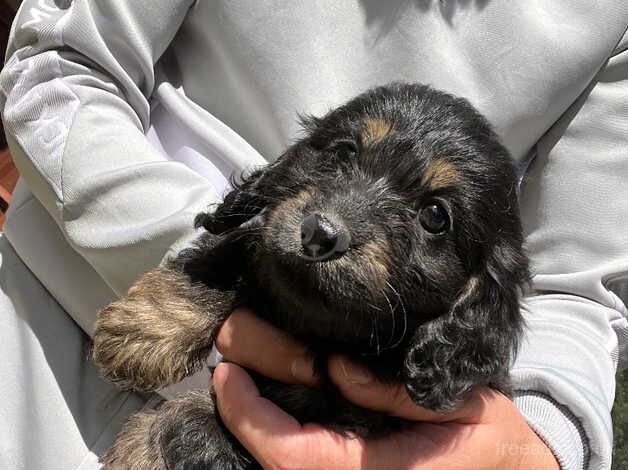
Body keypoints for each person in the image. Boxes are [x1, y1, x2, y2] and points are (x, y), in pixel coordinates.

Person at [0, 1, 626, 468]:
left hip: (383, 419)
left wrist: (530, 446)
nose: (335, 227)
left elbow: (578, 290)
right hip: (58, 327)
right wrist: (215, 276)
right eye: (345, 153)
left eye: (433, 217)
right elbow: (61, 64)